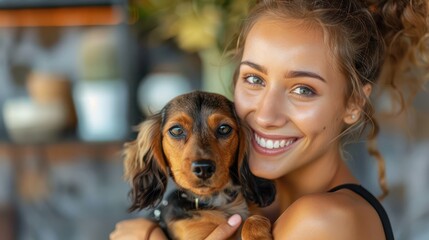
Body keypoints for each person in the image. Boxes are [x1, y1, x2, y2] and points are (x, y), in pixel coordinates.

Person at [110, 0, 428, 239]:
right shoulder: (255, 209)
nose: (265, 114)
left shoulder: (323, 221)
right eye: (255, 80)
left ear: (354, 103)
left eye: (303, 89)